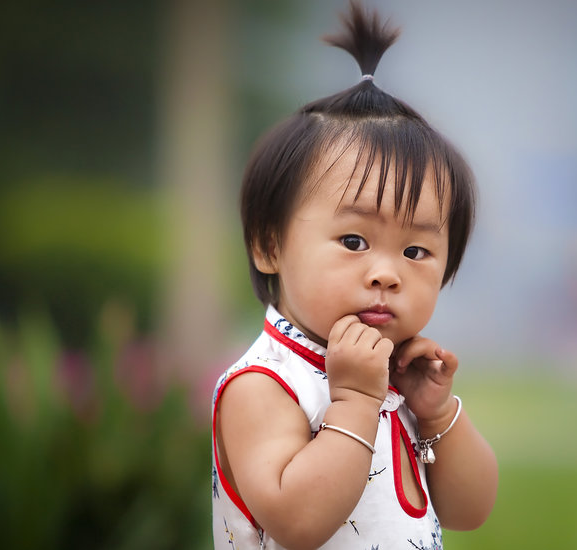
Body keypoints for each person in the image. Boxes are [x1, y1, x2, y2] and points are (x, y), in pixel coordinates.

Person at [210, 2, 498, 549]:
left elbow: (472, 508)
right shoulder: (265, 387)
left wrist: (435, 414)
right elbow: (296, 523)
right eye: (353, 242)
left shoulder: (393, 377)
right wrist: (356, 403)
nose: (387, 273)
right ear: (270, 245)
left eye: (416, 250)